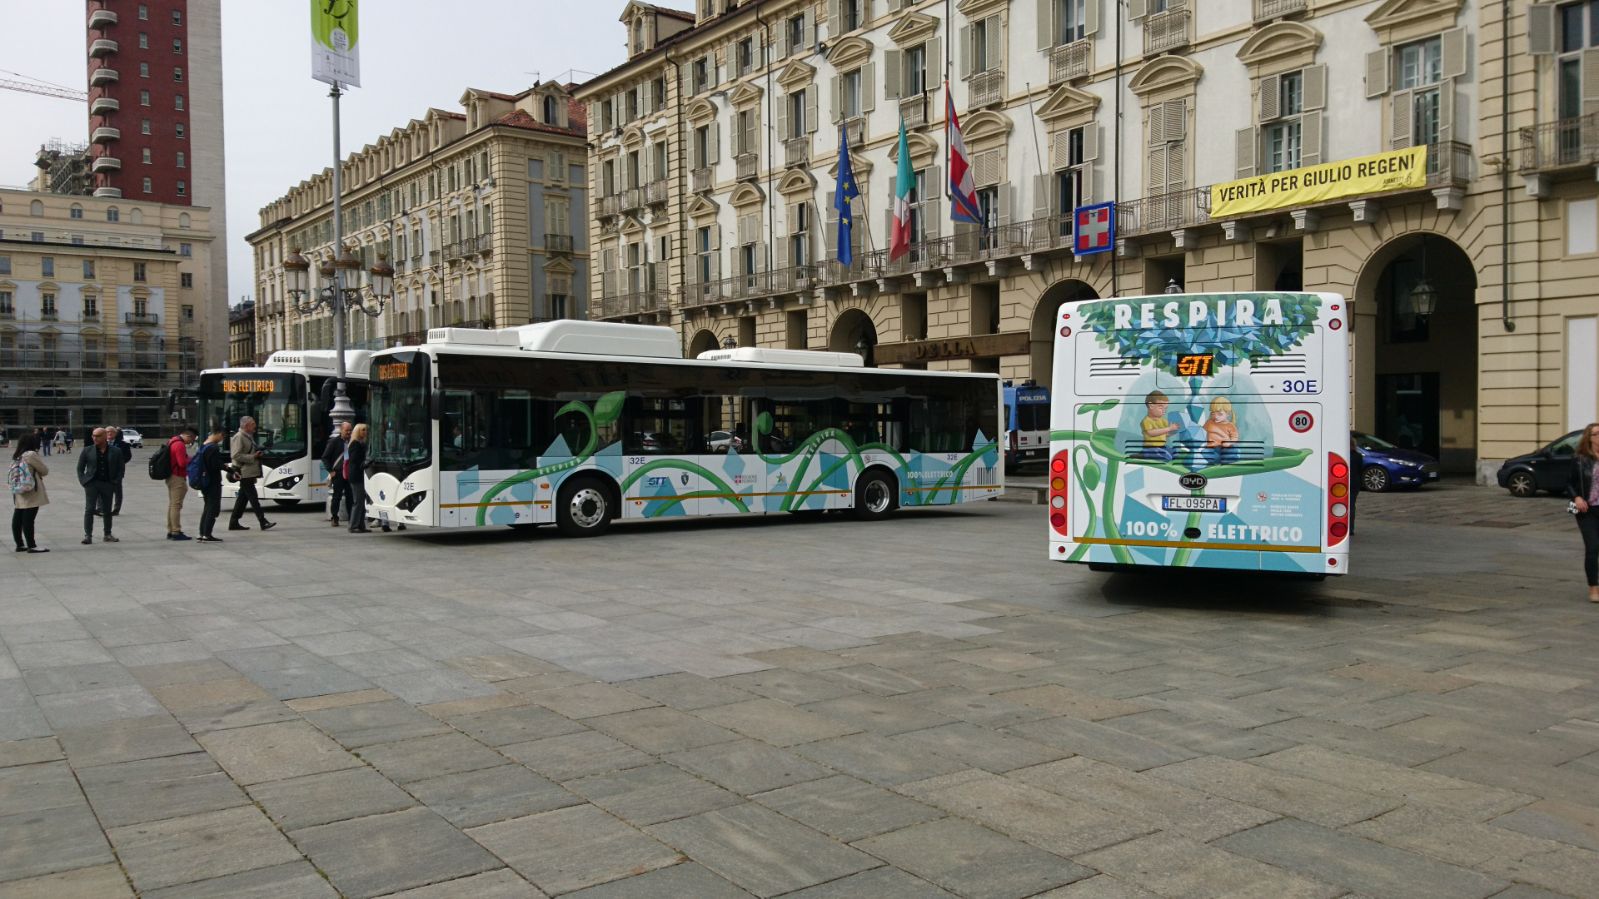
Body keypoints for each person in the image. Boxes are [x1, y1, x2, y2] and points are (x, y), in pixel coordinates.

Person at [1566, 421, 1599, 603]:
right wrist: (1577, 498)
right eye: (1597, 433)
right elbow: (1569, 483)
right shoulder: (1580, 458)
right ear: (1590, 438)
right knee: (1593, 548)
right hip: (1587, 510)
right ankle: (1593, 587)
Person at [227, 416, 276, 531]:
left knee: (242, 499)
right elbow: (235, 455)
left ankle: (234, 522)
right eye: (253, 424)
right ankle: (262, 521)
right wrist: (253, 456)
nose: (255, 426)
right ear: (246, 426)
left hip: (249, 472)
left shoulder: (248, 436)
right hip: (244, 473)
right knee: (253, 498)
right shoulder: (239, 437)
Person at [76, 427, 122, 545]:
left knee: (107, 510)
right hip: (92, 484)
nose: (94, 438)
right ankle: (88, 535)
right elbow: (80, 468)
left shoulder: (116, 451)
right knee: (89, 509)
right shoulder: (87, 450)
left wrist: (115, 481)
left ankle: (107, 534)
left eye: (97, 436)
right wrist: (84, 481)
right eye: (93, 436)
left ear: (105, 436)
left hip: (108, 483)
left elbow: (120, 468)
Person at [11, 433, 49, 553]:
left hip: (18, 489)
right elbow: (44, 470)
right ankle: (31, 545)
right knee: (29, 517)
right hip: (30, 488)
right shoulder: (31, 454)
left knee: (18, 515)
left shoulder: (17, 455)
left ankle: (19, 544)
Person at [196, 428, 227, 543]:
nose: (222, 439)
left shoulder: (203, 445)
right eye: (222, 436)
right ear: (217, 434)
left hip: (204, 481)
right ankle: (207, 534)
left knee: (207, 507)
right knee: (213, 508)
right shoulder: (213, 447)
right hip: (213, 482)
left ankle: (202, 533)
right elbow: (215, 465)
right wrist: (228, 469)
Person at [165, 427, 197, 541]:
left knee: (172, 504)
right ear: (188, 436)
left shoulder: (172, 441)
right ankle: (176, 531)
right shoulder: (179, 444)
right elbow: (182, 463)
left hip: (170, 476)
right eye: (192, 439)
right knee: (176, 505)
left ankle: (171, 529)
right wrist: (192, 459)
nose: (191, 442)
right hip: (177, 477)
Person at [323, 421, 353, 528]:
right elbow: (325, 457)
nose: (349, 432)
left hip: (350, 473)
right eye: (347, 430)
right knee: (337, 497)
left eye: (350, 430)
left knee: (350, 496)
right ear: (341, 430)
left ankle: (351, 518)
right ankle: (334, 517)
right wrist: (331, 471)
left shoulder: (353, 442)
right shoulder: (334, 442)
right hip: (339, 473)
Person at [1140, 390, 1181, 461]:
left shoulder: (1163, 420)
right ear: (1151, 405)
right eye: (1161, 407)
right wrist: (1169, 428)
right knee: (1167, 457)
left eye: (1165, 408)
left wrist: (1173, 431)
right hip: (1150, 448)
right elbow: (1151, 433)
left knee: (1175, 452)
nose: (1164, 411)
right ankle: (1144, 454)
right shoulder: (1146, 420)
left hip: (1162, 446)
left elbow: (1165, 434)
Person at [346, 422, 371, 533]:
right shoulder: (355, 444)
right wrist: (367, 463)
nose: (365, 432)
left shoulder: (360, 443)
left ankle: (360, 525)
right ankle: (353, 525)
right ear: (358, 431)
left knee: (361, 501)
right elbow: (355, 461)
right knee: (358, 501)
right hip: (356, 476)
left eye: (366, 430)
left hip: (359, 475)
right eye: (363, 430)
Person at [106, 426, 132, 516]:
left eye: (111, 432)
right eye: (107, 432)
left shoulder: (122, 444)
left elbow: (128, 456)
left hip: (117, 471)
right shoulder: (101, 443)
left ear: (115, 434)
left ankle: (116, 509)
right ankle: (101, 508)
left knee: (117, 491)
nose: (109, 434)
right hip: (103, 471)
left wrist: (119, 462)